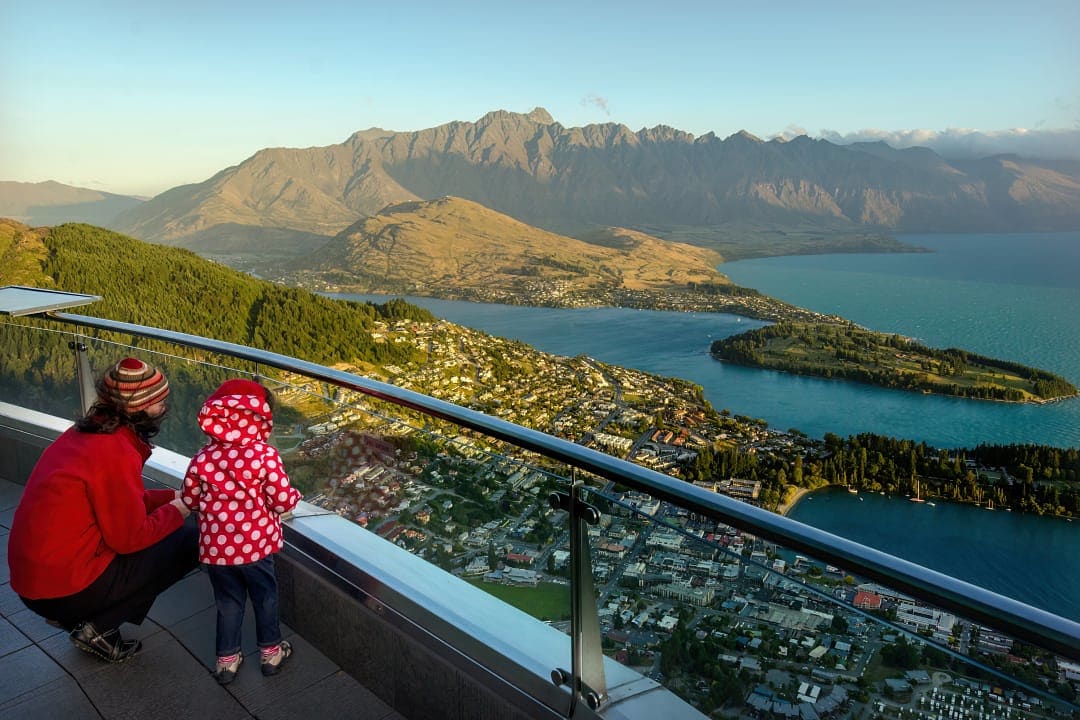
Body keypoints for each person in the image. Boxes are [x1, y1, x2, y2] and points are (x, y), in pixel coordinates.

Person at [7, 357, 198, 663]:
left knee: (169, 527)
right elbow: (129, 537)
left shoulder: (88, 435)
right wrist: (181, 510)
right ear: (138, 408)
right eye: (159, 402)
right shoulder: (113, 451)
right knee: (192, 539)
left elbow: (120, 503)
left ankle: (72, 614)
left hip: (36, 581)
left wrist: (172, 497)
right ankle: (96, 627)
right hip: (61, 587)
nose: (165, 407)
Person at [181, 378, 302, 684]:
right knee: (265, 598)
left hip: (217, 552)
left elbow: (190, 499)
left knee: (227, 603)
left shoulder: (202, 458)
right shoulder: (265, 456)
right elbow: (281, 500)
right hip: (256, 548)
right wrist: (294, 498)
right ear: (259, 418)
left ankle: (226, 661)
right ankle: (271, 653)